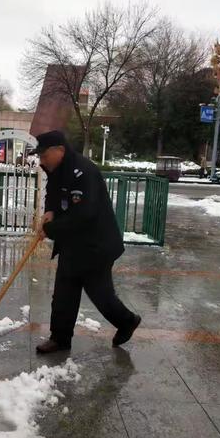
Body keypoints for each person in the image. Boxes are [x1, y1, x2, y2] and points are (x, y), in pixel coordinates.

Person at [33, 130, 141, 353]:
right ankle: (60, 338)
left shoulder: (84, 172)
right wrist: (50, 211)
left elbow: (84, 214)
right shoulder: (56, 168)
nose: (41, 160)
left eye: (44, 155)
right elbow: (52, 192)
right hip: (72, 244)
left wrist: (50, 229)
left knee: (101, 296)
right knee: (63, 294)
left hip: (96, 245)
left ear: (59, 150)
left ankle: (127, 321)